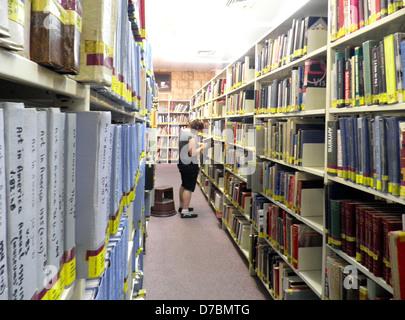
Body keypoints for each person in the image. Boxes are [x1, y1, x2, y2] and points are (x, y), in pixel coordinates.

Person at [177, 119, 208, 218]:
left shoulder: (183, 132)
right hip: (190, 164)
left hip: (182, 162)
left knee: (183, 184)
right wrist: (204, 147)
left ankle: (182, 206)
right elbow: (193, 153)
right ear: (197, 128)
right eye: (199, 131)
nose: (199, 133)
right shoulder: (192, 136)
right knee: (188, 188)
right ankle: (185, 211)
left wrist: (200, 145)